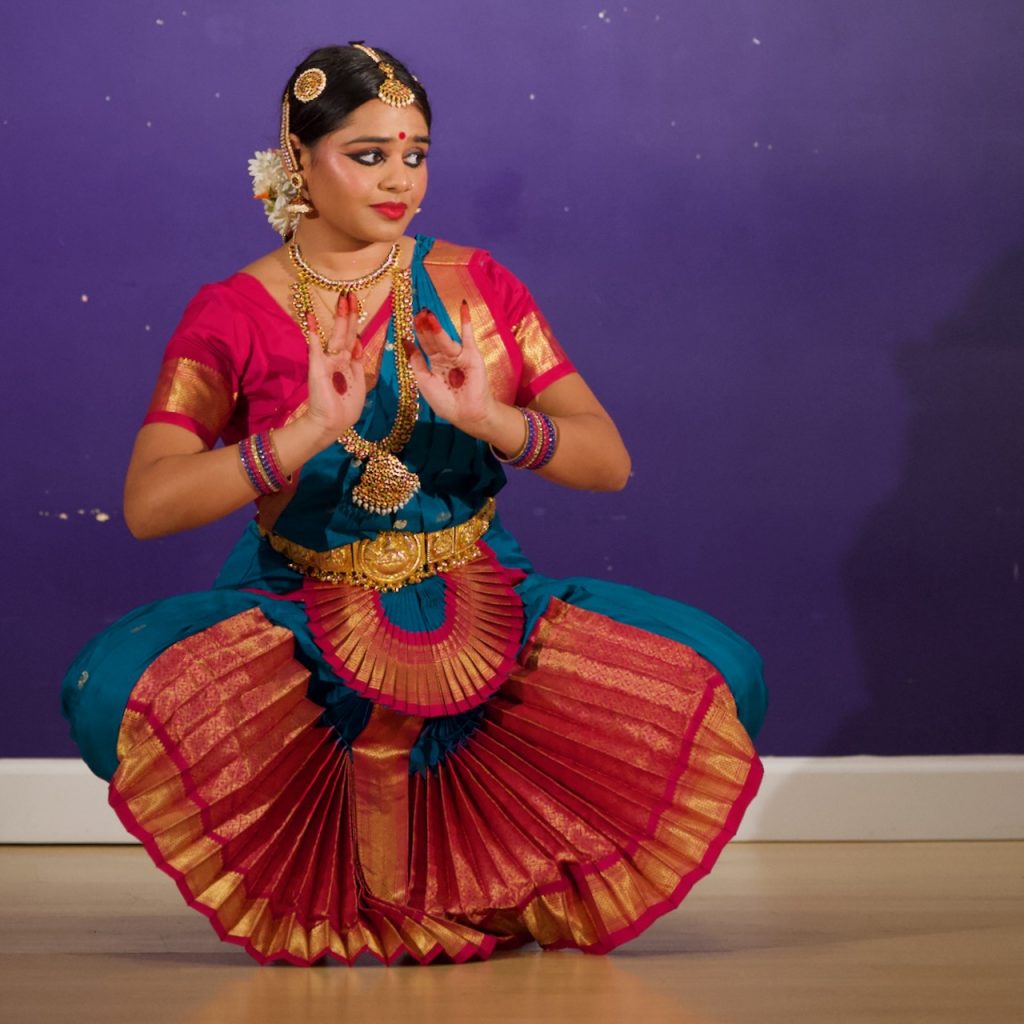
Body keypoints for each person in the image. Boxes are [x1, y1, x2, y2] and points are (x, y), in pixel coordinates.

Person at [61, 43, 768, 966]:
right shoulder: (232, 311)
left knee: (719, 674)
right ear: (297, 157)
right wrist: (304, 433)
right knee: (117, 690)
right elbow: (150, 503)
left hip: (484, 597)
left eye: (416, 154)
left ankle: (483, 886)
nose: (401, 180)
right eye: (369, 155)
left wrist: (490, 419)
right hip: (303, 604)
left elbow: (609, 462)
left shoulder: (476, 287)